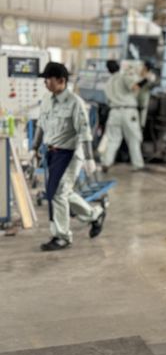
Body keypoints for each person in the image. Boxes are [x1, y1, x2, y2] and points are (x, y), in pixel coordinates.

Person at [31, 62, 106, 251]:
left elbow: (84, 133)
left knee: (58, 193)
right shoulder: (47, 100)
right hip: (52, 153)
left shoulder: (75, 103)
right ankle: (94, 214)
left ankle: (62, 236)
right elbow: (40, 125)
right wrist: (34, 148)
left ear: (61, 80)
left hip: (71, 154)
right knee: (62, 192)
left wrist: (89, 159)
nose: (45, 83)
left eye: (48, 79)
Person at [100, 59, 145, 172]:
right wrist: (147, 79)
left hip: (114, 112)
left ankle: (106, 162)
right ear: (118, 66)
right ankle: (138, 164)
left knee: (112, 139)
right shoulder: (123, 76)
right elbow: (135, 87)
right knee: (134, 138)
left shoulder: (108, 83)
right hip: (128, 112)